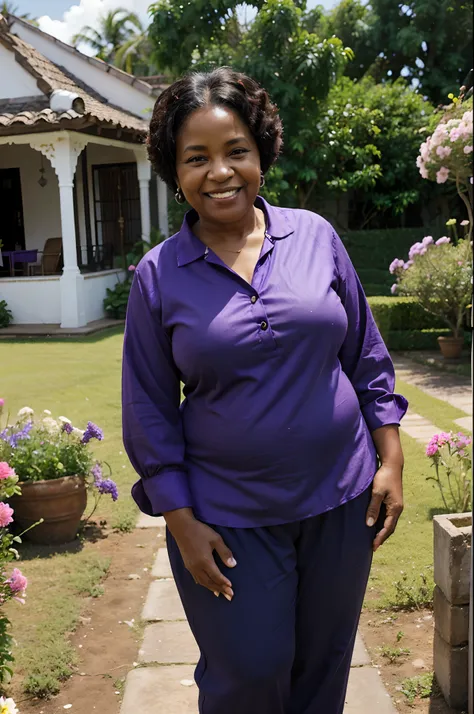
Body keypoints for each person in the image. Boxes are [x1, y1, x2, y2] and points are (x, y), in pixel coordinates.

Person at [122, 67, 408, 714]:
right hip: (229, 516)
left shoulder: (314, 237)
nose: (220, 172)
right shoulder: (159, 276)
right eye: (197, 158)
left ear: (262, 153)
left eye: (236, 152)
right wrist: (182, 523)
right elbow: (149, 409)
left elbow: (365, 354)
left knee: (323, 663)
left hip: (342, 502)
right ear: (175, 169)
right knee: (246, 673)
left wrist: (389, 459)